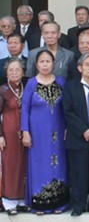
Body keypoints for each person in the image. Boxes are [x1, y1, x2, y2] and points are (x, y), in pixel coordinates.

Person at [21, 50, 69, 214]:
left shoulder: (61, 82)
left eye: (48, 61)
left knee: (57, 163)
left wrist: (68, 127)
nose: (45, 65)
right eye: (42, 62)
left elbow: (67, 107)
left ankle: (59, 203)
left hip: (58, 130)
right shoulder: (31, 83)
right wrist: (25, 131)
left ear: (53, 63)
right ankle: (40, 203)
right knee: (39, 164)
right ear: (36, 64)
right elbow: (25, 109)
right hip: (37, 132)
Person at [63, 54, 89, 216]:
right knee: (78, 172)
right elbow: (67, 111)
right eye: (87, 65)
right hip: (77, 137)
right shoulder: (70, 86)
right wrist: (84, 130)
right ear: (79, 68)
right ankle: (79, 205)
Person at [0, 58, 28, 215]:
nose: (14, 73)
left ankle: (21, 200)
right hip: (8, 134)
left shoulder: (27, 87)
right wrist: (0, 136)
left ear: (23, 72)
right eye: (11, 70)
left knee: (23, 165)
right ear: (6, 73)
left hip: (24, 133)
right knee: (10, 166)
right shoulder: (3, 90)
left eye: (17, 70)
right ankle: (8, 201)